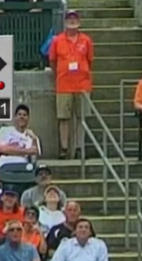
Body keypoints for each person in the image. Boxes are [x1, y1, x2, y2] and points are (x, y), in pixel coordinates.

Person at [48, 10, 95, 159]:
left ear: (79, 21)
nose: (72, 21)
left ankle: (80, 147)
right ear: (65, 21)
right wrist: (60, 74)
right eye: (69, 18)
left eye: (75, 18)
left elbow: (90, 60)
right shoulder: (57, 40)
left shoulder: (86, 40)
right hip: (63, 84)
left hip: (82, 84)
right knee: (63, 118)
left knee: (81, 118)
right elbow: (52, 61)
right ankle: (64, 148)